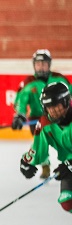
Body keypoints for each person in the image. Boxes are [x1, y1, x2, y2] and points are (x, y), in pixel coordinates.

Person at [12, 50, 70, 179]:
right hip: (37, 118)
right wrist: (19, 115)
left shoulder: (59, 79)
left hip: (59, 118)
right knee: (40, 142)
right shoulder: (29, 82)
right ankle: (45, 165)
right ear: (34, 65)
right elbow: (21, 99)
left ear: (49, 64)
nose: (41, 67)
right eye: (38, 64)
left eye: (44, 64)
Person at [20, 83, 72, 212]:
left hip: (69, 165)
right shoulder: (45, 123)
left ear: (66, 102)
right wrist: (27, 161)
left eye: (56, 106)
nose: (53, 111)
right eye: (49, 107)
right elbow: (38, 147)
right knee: (67, 202)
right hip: (68, 166)